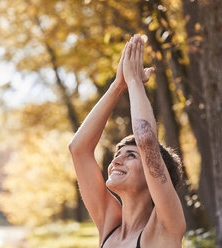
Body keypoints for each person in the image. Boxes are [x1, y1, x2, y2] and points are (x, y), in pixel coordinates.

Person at [68, 34, 186, 248]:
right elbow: (79, 150)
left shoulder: (164, 227)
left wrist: (134, 82)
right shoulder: (109, 226)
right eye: (117, 155)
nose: (117, 161)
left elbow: (147, 141)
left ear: (153, 175)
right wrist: (118, 85)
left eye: (131, 155)